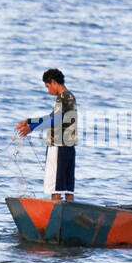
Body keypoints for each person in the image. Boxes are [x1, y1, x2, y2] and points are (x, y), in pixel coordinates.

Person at [15, 68, 77, 201]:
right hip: (69, 148)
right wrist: (29, 121)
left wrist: (31, 128)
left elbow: (55, 120)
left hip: (58, 147)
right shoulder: (70, 96)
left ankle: (54, 218)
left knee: (55, 188)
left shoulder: (61, 98)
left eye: (48, 86)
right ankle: (68, 218)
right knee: (67, 189)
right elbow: (51, 116)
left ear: (54, 82)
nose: (48, 91)